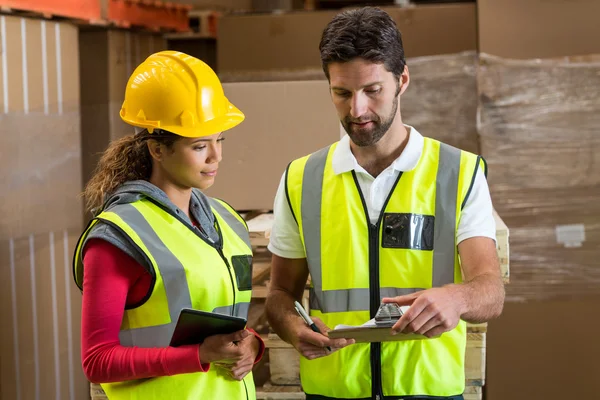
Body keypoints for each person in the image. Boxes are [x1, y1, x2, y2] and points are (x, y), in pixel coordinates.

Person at [265, 7, 505, 400]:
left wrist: (457, 298)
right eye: (342, 93)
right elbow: (278, 294)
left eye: (372, 90)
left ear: (402, 80)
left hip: (428, 392)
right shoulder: (301, 179)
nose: (356, 110)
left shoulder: (459, 173)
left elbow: (490, 290)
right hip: (333, 391)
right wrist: (293, 328)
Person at [73, 51, 264, 400]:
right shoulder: (120, 237)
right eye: (199, 145)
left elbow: (228, 320)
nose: (215, 157)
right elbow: (97, 360)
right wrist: (200, 355)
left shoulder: (227, 221)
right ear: (157, 150)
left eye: (219, 141)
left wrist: (251, 346)